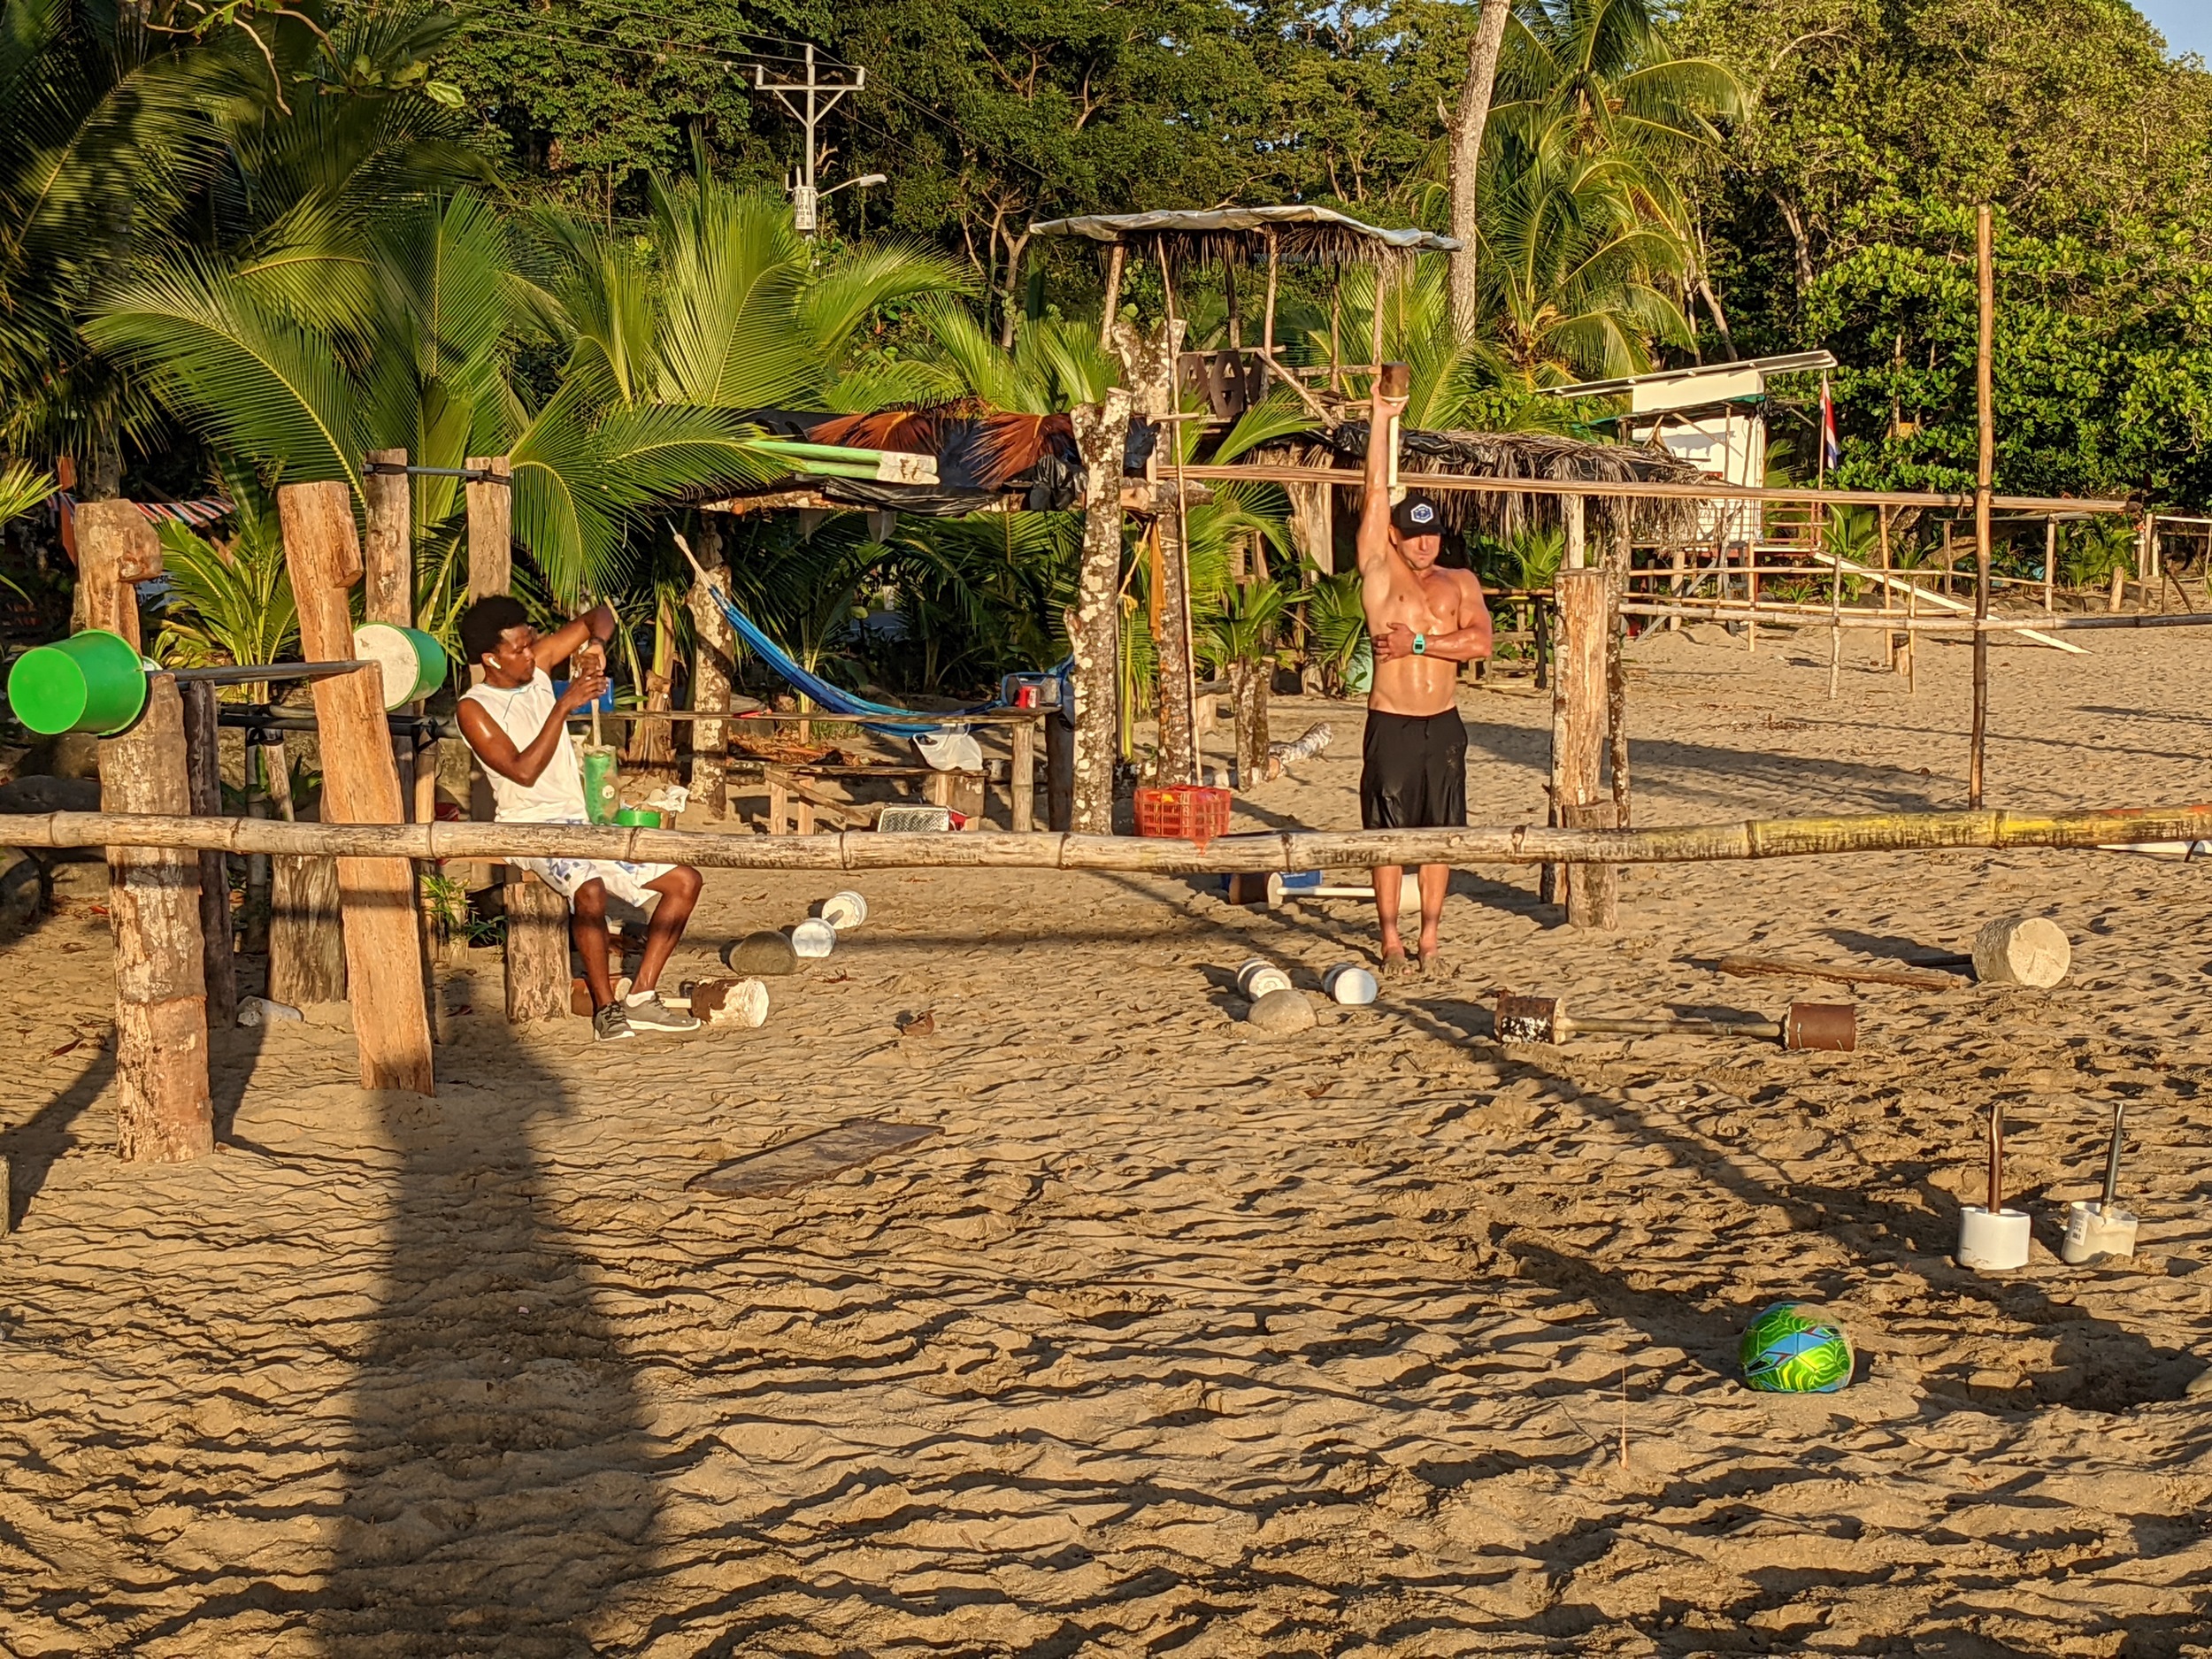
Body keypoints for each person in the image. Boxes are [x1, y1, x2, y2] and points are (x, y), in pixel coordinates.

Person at [455, 595, 704, 1041]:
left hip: (581, 821)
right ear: (491, 659)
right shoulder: (474, 708)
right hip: (529, 829)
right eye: (520, 649)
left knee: (684, 881)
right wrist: (562, 705)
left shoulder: (536, 666)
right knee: (588, 889)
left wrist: (596, 646)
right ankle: (606, 1008)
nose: (532, 654)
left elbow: (598, 617)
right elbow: (523, 771)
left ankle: (642, 997)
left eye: (532, 642)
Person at [1356, 378, 1494, 977]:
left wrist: (1418, 642)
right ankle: (1391, 940)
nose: (1423, 543)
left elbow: (1480, 642)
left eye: (1431, 532)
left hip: (1443, 723)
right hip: (1391, 721)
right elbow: (1374, 494)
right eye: (1413, 534)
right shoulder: (1381, 571)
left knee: (1441, 833)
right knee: (1387, 833)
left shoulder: (1459, 582)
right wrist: (1382, 420)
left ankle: (1431, 939)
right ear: (1395, 536)